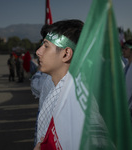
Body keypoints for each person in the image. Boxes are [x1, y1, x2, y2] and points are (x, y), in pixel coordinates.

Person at [33, 19, 84, 150]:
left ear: (66, 54)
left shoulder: (77, 103)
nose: (38, 52)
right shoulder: (60, 88)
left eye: (46, 46)